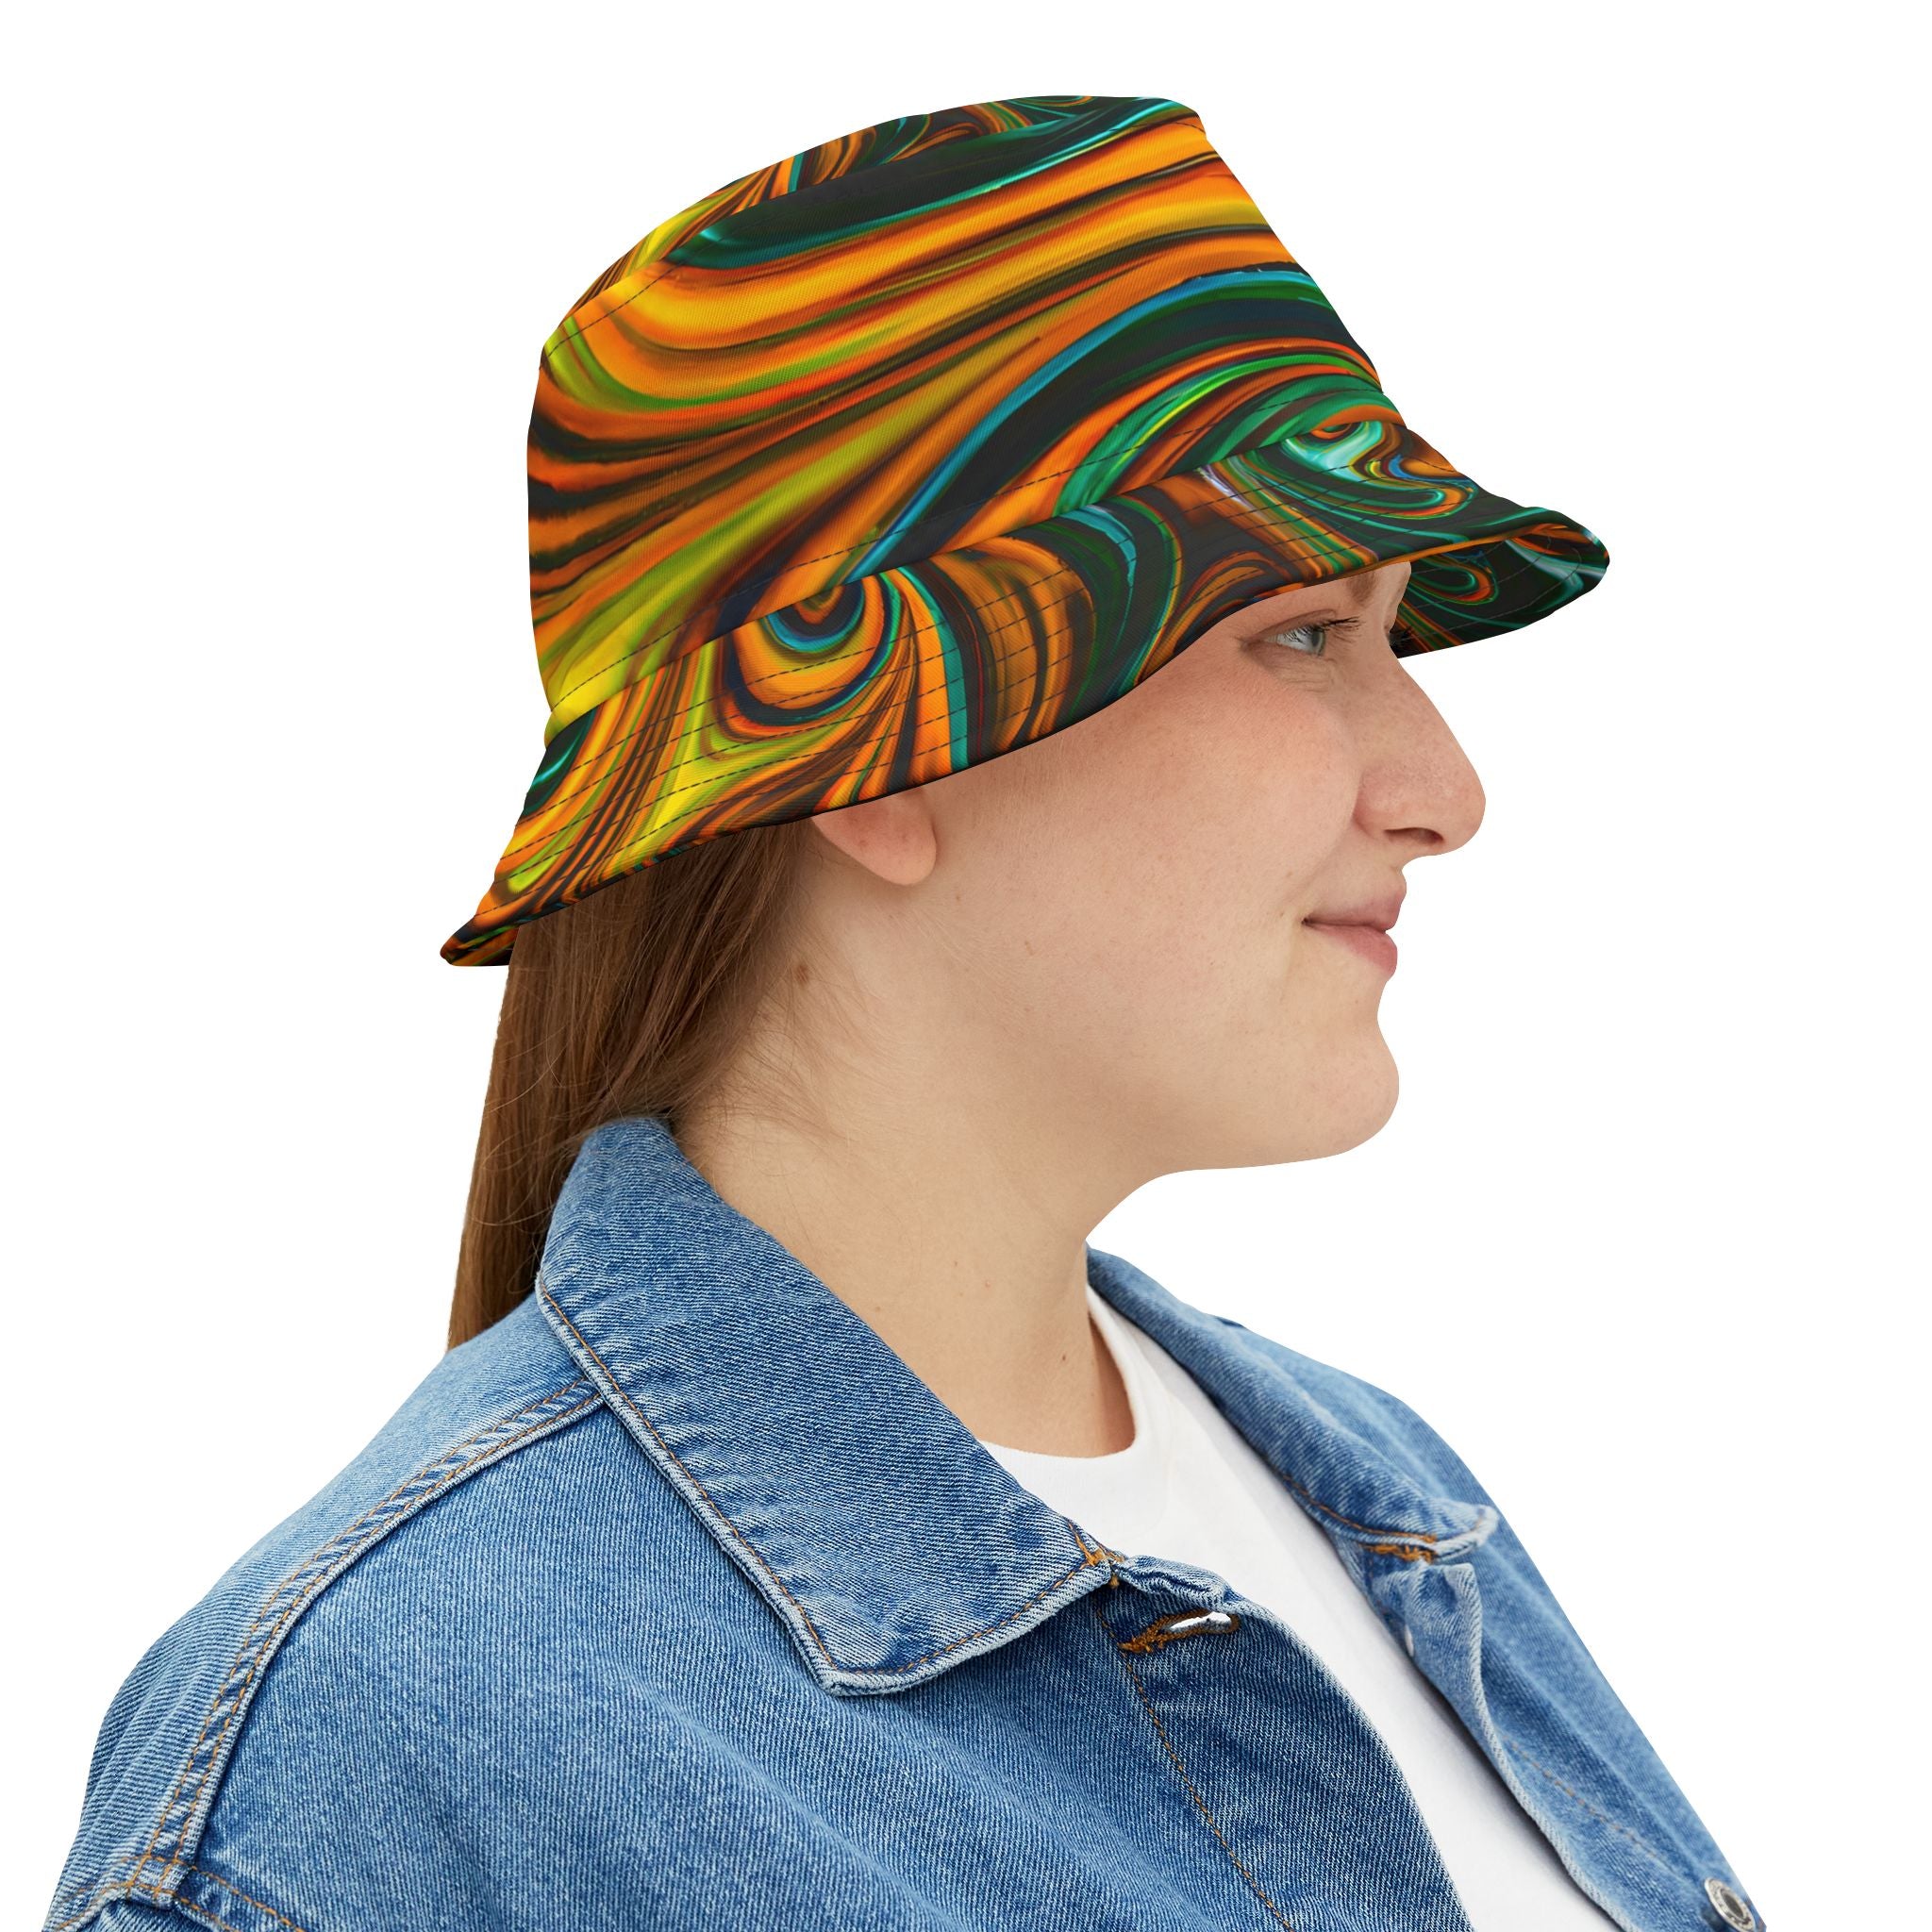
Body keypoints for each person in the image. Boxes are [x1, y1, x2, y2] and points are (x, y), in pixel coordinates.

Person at [42, 92, 1766, 1932]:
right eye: (1302, 632)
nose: (1446, 791)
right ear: (883, 750)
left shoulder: (1390, 1506)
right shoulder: (379, 1751)